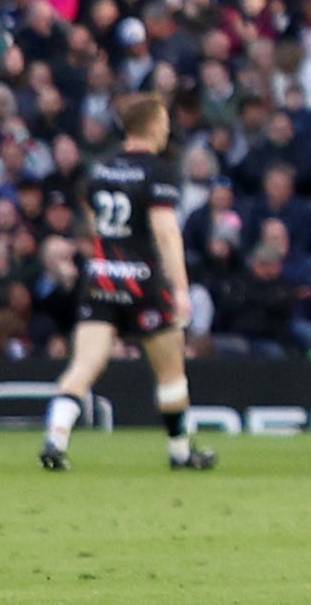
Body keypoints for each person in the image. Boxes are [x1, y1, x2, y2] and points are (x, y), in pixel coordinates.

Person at [39, 90, 219, 476]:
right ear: (154, 126)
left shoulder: (100, 168)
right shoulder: (157, 171)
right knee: (170, 372)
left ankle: (56, 437)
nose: (168, 129)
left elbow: (92, 222)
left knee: (84, 365)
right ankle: (180, 451)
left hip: (102, 278)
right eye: (165, 123)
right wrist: (182, 289)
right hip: (143, 282)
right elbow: (167, 234)